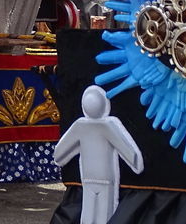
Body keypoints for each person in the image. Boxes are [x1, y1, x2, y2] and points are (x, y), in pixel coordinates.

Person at [53, 85, 144, 224]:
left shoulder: (80, 126)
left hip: (88, 178)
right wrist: (135, 162)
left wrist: (58, 157)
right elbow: (126, 149)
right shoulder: (108, 126)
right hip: (105, 178)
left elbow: (60, 153)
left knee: (87, 215)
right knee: (104, 215)